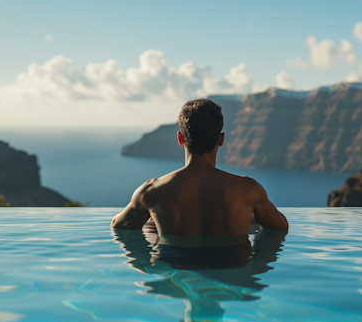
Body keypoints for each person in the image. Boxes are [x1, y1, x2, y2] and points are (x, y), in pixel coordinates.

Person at [111, 98, 289, 235]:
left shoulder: (151, 192)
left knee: (150, 228)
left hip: (175, 277)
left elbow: (118, 226)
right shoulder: (249, 190)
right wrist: (246, 216)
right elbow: (280, 225)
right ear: (221, 139)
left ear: (180, 139)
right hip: (233, 277)